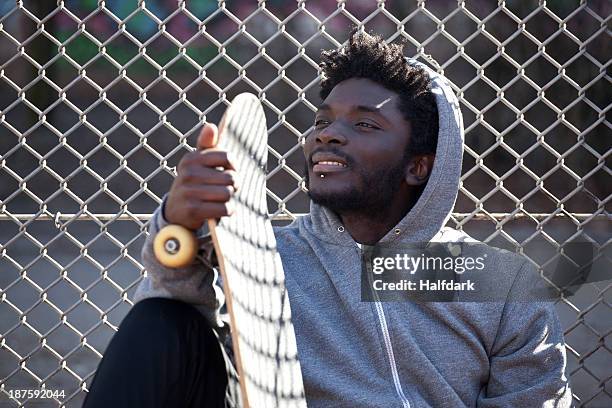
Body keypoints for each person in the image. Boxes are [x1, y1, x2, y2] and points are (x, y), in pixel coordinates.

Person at [83, 31, 572, 408]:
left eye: (364, 123)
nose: (328, 135)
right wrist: (176, 224)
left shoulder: (497, 284)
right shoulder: (266, 257)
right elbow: (174, 304)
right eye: (321, 121)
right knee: (159, 320)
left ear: (419, 164)